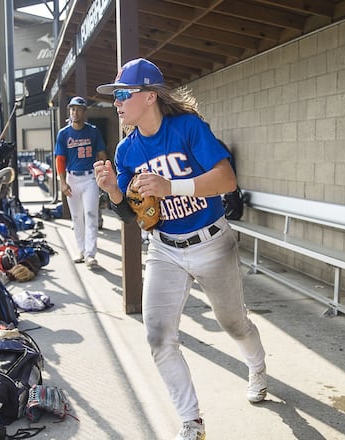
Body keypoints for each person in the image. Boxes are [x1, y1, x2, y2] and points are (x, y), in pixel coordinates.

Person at [93, 58, 268, 440]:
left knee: (233, 323)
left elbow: (226, 179)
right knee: (157, 336)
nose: (117, 102)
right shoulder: (126, 149)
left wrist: (172, 186)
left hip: (211, 242)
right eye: (115, 96)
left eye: (124, 94)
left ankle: (257, 367)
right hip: (165, 249)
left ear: (150, 96)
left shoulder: (187, 127)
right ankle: (191, 421)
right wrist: (111, 190)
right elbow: (128, 211)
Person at [54, 96, 108, 268]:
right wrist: (62, 182)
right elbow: (60, 159)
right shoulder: (64, 133)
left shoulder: (93, 131)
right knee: (76, 217)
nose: (74, 112)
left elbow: (101, 154)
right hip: (72, 178)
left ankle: (91, 255)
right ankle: (81, 250)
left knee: (91, 215)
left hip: (90, 177)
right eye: (72, 109)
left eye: (78, 109)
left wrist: (103, 176)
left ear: (84, 112)